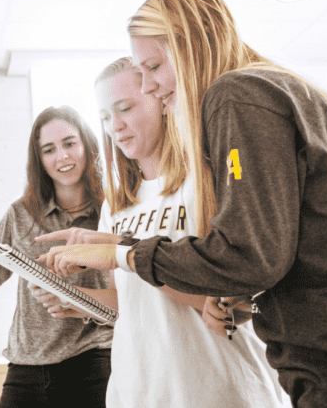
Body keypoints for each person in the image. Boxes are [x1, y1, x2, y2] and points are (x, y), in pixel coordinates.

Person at [40, 0, 327, 408]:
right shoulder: (271, 89)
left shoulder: (235, 97)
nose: (150, 87)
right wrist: (240, 299)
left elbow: (246, 257)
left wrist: (119, 253)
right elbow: (273, 255)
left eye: (153, 66)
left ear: (192, 44)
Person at [52, 56, 285, 407]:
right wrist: (79, 301)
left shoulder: (207, 183)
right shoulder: (115, 206)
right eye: (104, 117)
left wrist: (124, 251)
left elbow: (235, 301)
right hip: (141, 390)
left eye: (125, 108)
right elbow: (131, 303)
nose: (115, 126)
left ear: (161, 101)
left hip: (220, 388)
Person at [0, 106, 113, 407]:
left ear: (87, 144)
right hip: (26, 368)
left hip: (93, 362)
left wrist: (74, 299)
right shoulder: (21, 213)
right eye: (49, 150)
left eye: (70, 143)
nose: (62, 156)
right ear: (40, 161)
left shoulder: (113, 211)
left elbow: (128, 297)